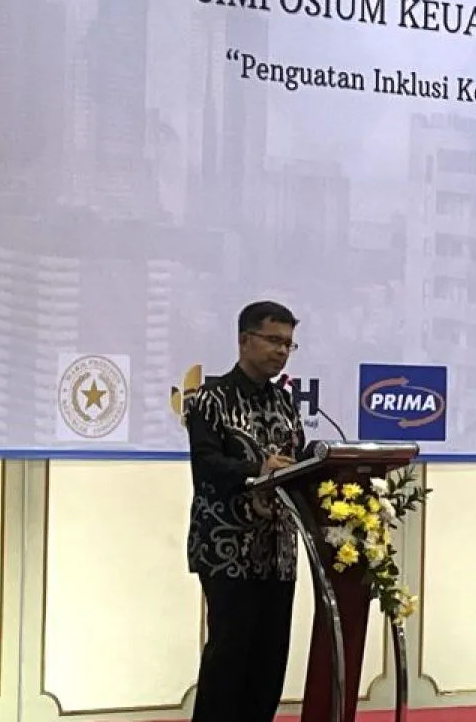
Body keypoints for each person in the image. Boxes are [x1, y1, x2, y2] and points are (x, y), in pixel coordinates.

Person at [183, 300, 304, 722]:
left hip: (278, 552)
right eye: (273, 340)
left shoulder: (285, 403)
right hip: (227, 549)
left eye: (288, 344)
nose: (281, 351)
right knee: (229, 659)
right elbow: (206, 465)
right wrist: (258, 470)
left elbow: (297, 464)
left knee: (269, 661)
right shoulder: (210, 400)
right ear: (244, 340)